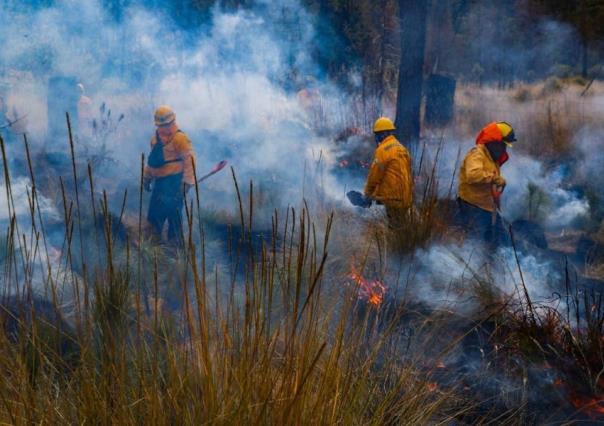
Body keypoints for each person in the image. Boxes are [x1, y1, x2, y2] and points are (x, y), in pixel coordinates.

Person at [457, 121, 517, 247]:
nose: (504, 149)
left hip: (487, 208)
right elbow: (473, 175)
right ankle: (473, 265)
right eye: (502, 145)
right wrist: (495, 178)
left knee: (501, 241)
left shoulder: (491, 158)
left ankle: (500, 264)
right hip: (473, 208)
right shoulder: (477, 153)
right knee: (476, 245)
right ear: (493, 142)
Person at [143, 106, 196, 244]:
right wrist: (146, 178)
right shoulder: (155, 139)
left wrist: (187, 183)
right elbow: (153, 163)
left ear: (173, 121)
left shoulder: (180, 138)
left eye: (168, 124)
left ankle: (175, 248)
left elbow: (190, 161)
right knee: (154, 216)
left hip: (174, 182)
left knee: (174, 216)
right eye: (162, 125)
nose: (165, 128)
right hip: (159, 184)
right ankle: (153, 247)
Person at [364, 117, 413, 231]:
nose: (376, 137)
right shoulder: (402, 148)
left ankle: (398, 248)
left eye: (377, 134)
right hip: (406, 196)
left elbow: (374, 176)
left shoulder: (382, 150)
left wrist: (367, 194)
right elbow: (396, 174)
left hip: (393, 198)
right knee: (402, 226)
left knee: (395, 229)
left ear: (382, 134)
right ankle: (406, 245)